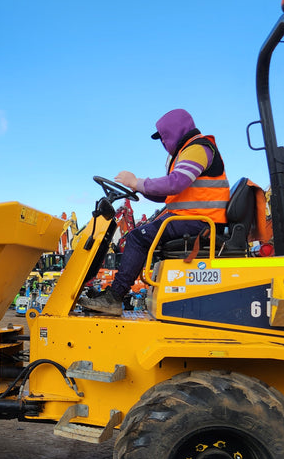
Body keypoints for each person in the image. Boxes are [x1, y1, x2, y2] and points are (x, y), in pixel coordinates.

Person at [78, 108, 229, 315]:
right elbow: (167, 194)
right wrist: (136, 187)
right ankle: (113, 293)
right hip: (191, 218)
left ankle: (115, 297)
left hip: (200, 221)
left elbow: (175, 184)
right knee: (138, 235)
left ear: (174, 131)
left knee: (136, 238)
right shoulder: (187, 151)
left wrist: (137, 182)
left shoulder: (197, 148)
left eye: (164, 138)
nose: (163, 143)